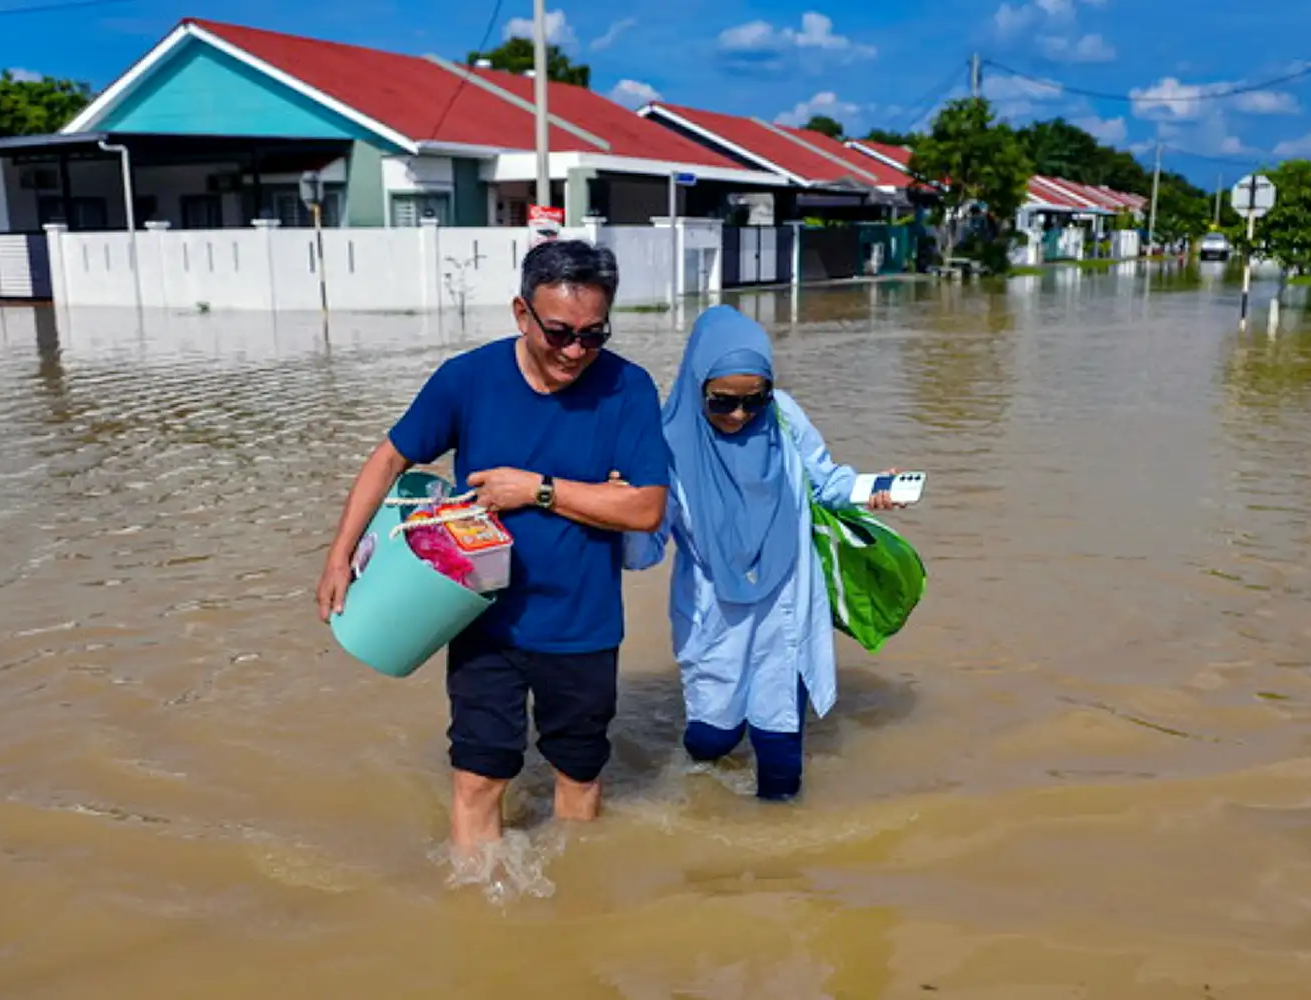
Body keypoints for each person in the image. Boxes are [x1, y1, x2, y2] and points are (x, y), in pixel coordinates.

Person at [315, 239, 670, 858]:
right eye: (559, 333)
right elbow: (391, 457)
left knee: (578, 777)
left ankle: (574, 912)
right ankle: (473, 910)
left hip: (582, 627)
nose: (577, 352)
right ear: (520, 313)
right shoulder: (468, 379)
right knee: (480, 775)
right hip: (481, 618)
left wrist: (536, 491)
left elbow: (646, 507)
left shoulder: (628, 389)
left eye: (594, 334)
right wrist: (340, 554)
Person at [626, 305, 897, 801]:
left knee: (781, 757)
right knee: (714, 739)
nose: (739, 416)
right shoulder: (664, 448)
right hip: (717, 618)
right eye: (722, 402)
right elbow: (644, 552)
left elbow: (826, 481)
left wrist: (873, 490)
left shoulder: (784, 418)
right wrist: (617, 507)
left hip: (786, 609)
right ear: (697, 386)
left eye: (755, 400)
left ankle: (779, 872)